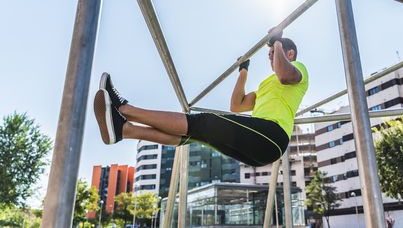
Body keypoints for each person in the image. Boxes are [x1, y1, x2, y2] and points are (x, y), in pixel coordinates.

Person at [93, 30, 308, 166]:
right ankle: (125, 130)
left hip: (272, 135)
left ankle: (125, 109)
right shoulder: (265, 86)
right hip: (261, 144)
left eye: (274, 54)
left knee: (204, 122)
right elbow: (236, 105)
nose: (271, 58)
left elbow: (284, 74)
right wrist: (243, 71)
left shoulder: (298, 70)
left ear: (289, 54)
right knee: (198, 135)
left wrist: (277, 42)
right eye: (269, 55)